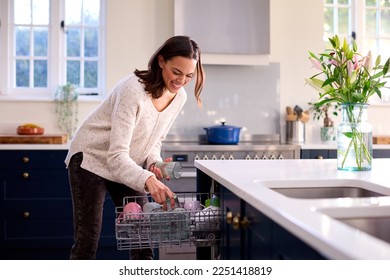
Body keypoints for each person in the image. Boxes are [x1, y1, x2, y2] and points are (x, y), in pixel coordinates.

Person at [64, 35, 205, 260]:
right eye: (176, 72)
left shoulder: (179, 97)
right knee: (88, 241)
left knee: (141, 239)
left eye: (189, 76)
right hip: (91, 159)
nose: (181, 81)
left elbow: (153, 141)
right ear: (161, 61)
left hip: (125, 166)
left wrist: (153, 163)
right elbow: (116, 154)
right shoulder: (133, 90)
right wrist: (148, 179)